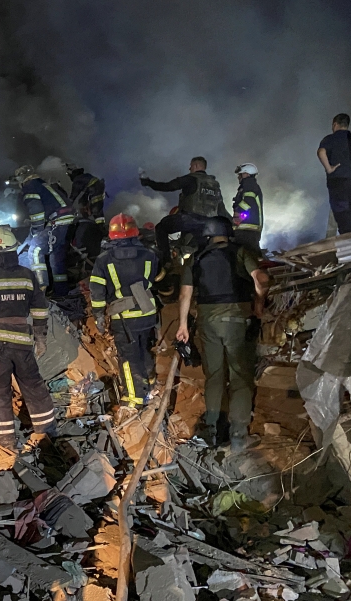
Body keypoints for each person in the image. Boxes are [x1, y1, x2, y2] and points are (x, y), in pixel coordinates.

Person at [175, 217, 268, 453]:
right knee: (239, 376)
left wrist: (183, 326)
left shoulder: (196, 257)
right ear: (228, 234)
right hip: (237, 319)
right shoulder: (240, 252)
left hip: (207, 322)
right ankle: (238, 437)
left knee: (214, 375)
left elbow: (185, 296)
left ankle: (213, 431)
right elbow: (261, 278)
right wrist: (259, 302)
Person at [0, 226, 56, 451]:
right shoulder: (27, 275)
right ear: (14, 250)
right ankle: (47, 431)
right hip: (22, 344)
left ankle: (6, 442)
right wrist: (40, 338)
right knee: (34, 386)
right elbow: (39, 309)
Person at [89, 214, 161, 409]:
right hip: (147, 313)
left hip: (124, 316)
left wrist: (98, 316)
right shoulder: (149, 254)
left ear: (112, 235)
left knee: (128, 358)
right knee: (143, 350)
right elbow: (153, 280)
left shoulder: (104, 260)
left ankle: (135, 398)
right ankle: (150, 383)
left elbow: (97, 291)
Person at [141, 157, 230, 262]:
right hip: (208, 225)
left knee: (161, 227)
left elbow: (168, 186)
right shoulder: (215, 185)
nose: (189, 168)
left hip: (190, 220)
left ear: (196, 166)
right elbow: (221, 209)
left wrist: (149, 183)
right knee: (200, 252)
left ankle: (166, 262)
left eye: (191, 166)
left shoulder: (191, 179)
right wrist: (232, 223)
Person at [13, 165, 75, 297]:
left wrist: (37, 232)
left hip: (57, 221)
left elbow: (36, 212)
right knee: (56, 257)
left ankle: (40, 291)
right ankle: (61, 293)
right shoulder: (43, 184)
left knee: (35, 250)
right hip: (68, 221)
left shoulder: (29, 187)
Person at [318, 113, 351, 235]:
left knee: (341, 212)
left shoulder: (329, 139)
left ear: (335, 124)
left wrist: (329, 168)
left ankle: (349, 241)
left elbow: (321, 152)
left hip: (337, 180)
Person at [67, 166, 107, 262]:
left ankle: (102, 231)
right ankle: (102, 228)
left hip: (95, 192)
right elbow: (83, 195)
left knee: (97, 212)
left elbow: (73, 196)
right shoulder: (85, 177)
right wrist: (84, 204)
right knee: (98, 212)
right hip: (98, 190)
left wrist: (66, 207)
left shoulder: (77, 180)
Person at [231, 163, 264, 252]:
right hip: (248, 229)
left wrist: (238, 214)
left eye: (240, 174)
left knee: (246, 256)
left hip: (247, 229)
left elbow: (248, 201)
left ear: (247, 174)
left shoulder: (249, 183)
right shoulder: (249, 185)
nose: (239, 177)